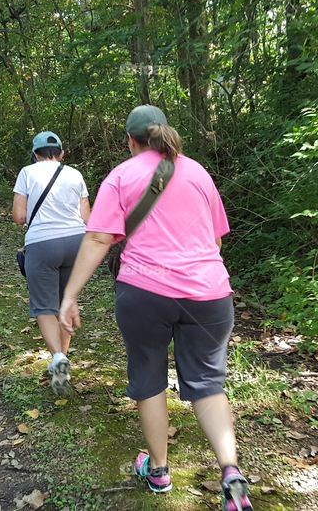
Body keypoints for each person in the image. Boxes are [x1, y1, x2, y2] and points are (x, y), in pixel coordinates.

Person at [58, 105, 253, 510]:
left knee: (148, 377)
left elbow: (98, 240)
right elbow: (216, 241)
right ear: (164, 131)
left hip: (145, 293)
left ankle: (159, 470)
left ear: (130, 140)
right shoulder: (198, 172)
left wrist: (70, 295)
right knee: (208, 384)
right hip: (210, 294)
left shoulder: (121, 176)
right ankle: (231, 471)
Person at [13, 131, 91, 396]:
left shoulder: (26, 173)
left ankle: (57, 357)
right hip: (76, 244)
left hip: (42, 244)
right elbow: (86, 217)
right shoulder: (75, 175)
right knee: (66, 300)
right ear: (62, 153)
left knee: (44, 306)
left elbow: (19, 216)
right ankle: (64, 357)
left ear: (35, 154)